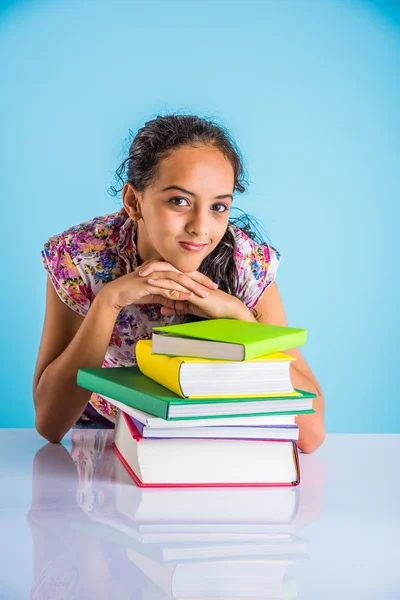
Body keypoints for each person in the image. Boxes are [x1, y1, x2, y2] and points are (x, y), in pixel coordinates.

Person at [33, 114, 325, 452]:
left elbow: (311, 433)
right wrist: (109, 302)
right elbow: (50, 424)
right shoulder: (80, 258)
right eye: (179, 201)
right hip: (105, 444)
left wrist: (241, 320)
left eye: (218, 206)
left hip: (214, 443)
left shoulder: (245, 265)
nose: (201, 227)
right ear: (133, 202)